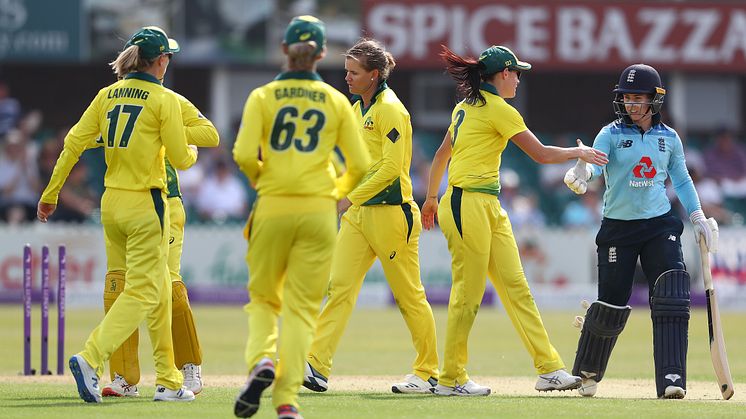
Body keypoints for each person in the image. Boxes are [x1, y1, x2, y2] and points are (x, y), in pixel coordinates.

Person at [421, 45, 608, 396]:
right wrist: (578, 152)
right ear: (503, 74)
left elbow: (442, 153)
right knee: (469, 292)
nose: (519, 79)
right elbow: (539, 154)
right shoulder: (498, 110)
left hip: (485, 202)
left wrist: (431, 198)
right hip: (467, 203)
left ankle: (548, 368)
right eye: (516, 72)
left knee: (516, 287)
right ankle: (451, 378)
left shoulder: (466, 107)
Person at [37, 26, 198, 403]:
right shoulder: (163, 99)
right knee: (143, 291)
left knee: (157, 287)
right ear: (160, 61)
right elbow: (181, 159)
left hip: (112, 204)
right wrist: (191, 148)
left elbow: (74, 142)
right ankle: (91, 358)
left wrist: (51, 193)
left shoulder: (107, 95)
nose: (168, 63)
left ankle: (170, 381)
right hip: (148, 205)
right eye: (167, 58)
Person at [232, 16, 369, 419]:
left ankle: (261, 360)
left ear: (284, 50)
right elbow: (359, 165)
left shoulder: (263, 96)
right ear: (323, 54)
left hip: (273, 205)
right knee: (302, 308)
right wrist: (335, 194)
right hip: (318, 210)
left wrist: (264, 181)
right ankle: (287, 400)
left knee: (263, 300)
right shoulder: (335, 100)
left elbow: (242, 154)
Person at [564, 63, 719, 399]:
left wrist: (697, 217)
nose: (631, 104)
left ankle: (671, 378)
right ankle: (588, 371)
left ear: (655, 100)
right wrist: (582, 172)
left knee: (672, 294)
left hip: (658, 225)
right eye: (627, 97)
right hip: (618, 227)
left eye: (638, 98)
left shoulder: (669, 138)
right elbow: (595, 161)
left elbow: (681, 179)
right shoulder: (610, 133)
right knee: (612, 301)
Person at [302, 38, 439, 395]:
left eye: (354, 72)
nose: (347, 78)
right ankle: (315, 365)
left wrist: (347, 198)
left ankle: (428, 373)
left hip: (392, 214)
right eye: (347, 71)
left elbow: (392, 168)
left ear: (374, 74)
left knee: (409, 296)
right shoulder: (357, 108)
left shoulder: (390, 109)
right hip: (359, 215)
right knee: (339, 289)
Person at [100, 87, 220, 397]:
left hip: (164, 200)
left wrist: (163, 128)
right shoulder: (112, 98)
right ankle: (124, 377)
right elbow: (81, 136)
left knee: (167, 282)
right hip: (123, 199)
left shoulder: (171, 99)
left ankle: (188, 365)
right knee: (119, 284)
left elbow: (209, 134)